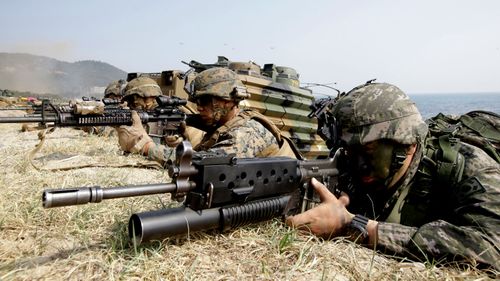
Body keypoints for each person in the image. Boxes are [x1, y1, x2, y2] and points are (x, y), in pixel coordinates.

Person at [286, 81, 500, 270]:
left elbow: (491, 248)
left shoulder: (470, 166)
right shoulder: (349, 163)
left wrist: (355, 227)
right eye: (351, 150)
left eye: (369, 152)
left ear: (407, 145)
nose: (359, 165)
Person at [116, 67, 301, 163]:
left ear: (228, 101)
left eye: (204, 101)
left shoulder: (244, 134)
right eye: (196, 101)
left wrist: (146, 146)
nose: (199, 107)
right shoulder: (228, 123)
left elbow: (199, 166)